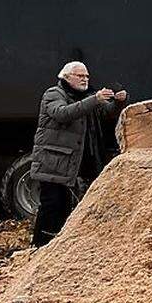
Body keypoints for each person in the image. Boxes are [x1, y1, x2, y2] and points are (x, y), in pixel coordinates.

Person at [30, 61, 127, 247]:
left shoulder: (89, 96)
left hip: (72, 164)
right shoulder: (53, 94)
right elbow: (63, 113)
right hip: (54, 164)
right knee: (51, 208)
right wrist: (95, 99)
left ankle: (58, 247)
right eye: (80, 76)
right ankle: (39, 247)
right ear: (66, 77)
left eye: (87, 76)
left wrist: (119, 101)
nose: (85, 79)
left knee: (66, 209)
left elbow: (108, 113)